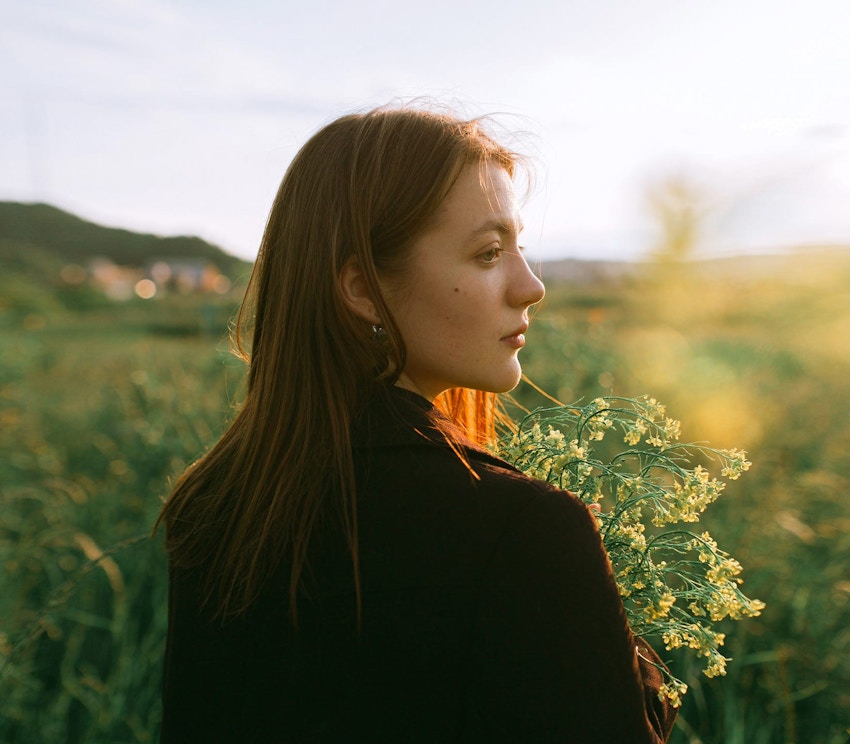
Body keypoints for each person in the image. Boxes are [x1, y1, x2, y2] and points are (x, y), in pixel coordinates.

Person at [157, 103, 678, 742]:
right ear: (364, 289)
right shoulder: (522, 529)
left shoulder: (217, 504)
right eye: (489, 253)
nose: (532, 285)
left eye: (520, 248)